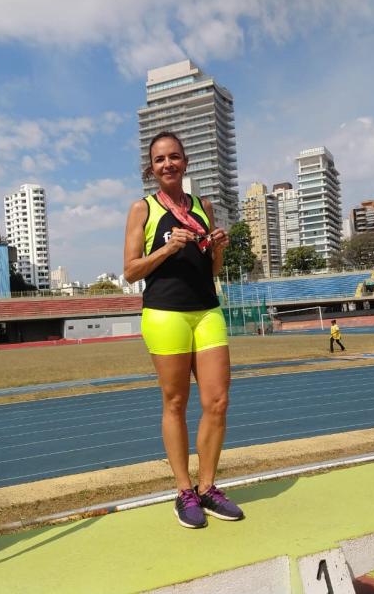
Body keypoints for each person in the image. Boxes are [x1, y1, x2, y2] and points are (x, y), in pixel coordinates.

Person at [123, 131, 244, 528]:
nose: (168, 164)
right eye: (160, 159)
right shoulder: (143, 209)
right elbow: (130, 270)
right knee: (175, 403)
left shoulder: (203, 206)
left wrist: (220, 248)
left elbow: (211, 268)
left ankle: (208, 487)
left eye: (174, 157)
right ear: (151, 168)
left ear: (185, 162)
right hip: (165, 313)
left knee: (218, 402)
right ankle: (183, 491)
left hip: (207, 310)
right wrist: (167, 247)